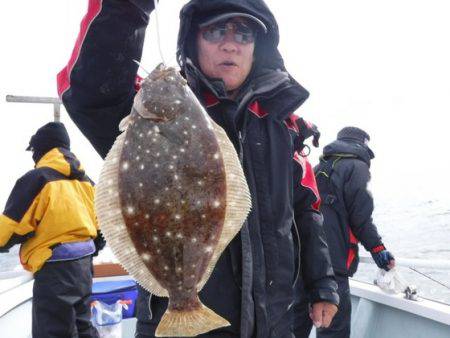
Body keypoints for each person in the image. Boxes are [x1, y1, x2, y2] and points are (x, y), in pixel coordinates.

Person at [57, 0, 339, 337]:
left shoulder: (284, 127)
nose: (231, 43)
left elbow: (305, 212)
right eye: (216, 30)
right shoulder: (146, 115)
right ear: (193, 41)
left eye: (244, 33)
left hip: (274, 324)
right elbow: (89, 88)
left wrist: (322, 283)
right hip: (176, 328)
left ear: (258, 48)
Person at [0, 122, 104, 338]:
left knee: (54, 332)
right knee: (83, 326)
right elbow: (101, 230)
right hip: (84, 268)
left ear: (42, 150)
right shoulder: (86, 182)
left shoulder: (37, 179)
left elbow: (9, 229)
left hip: (56, 272)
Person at [294, 126, 395, 338]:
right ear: (363, 145)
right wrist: (378, 249)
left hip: (304, 263)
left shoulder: (317, 167)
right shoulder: (357, 167)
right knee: (333, 330)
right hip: (333, 266)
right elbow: (361, 218)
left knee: (296, 327)